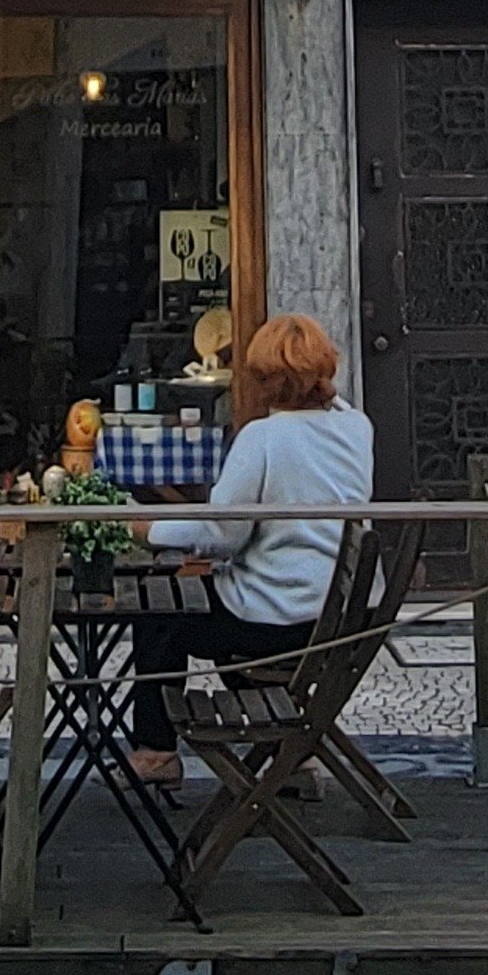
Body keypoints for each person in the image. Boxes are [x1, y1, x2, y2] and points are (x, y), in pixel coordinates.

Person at [128, 314, 373, 783]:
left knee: (159, 614)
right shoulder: (357, 429)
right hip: (334, 619)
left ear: (266, 380)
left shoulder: (263, 437)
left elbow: (223, 535)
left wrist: (149, 530)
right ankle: (287, 751)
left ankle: (156, 752)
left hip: (276, 616)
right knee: (213, 608)